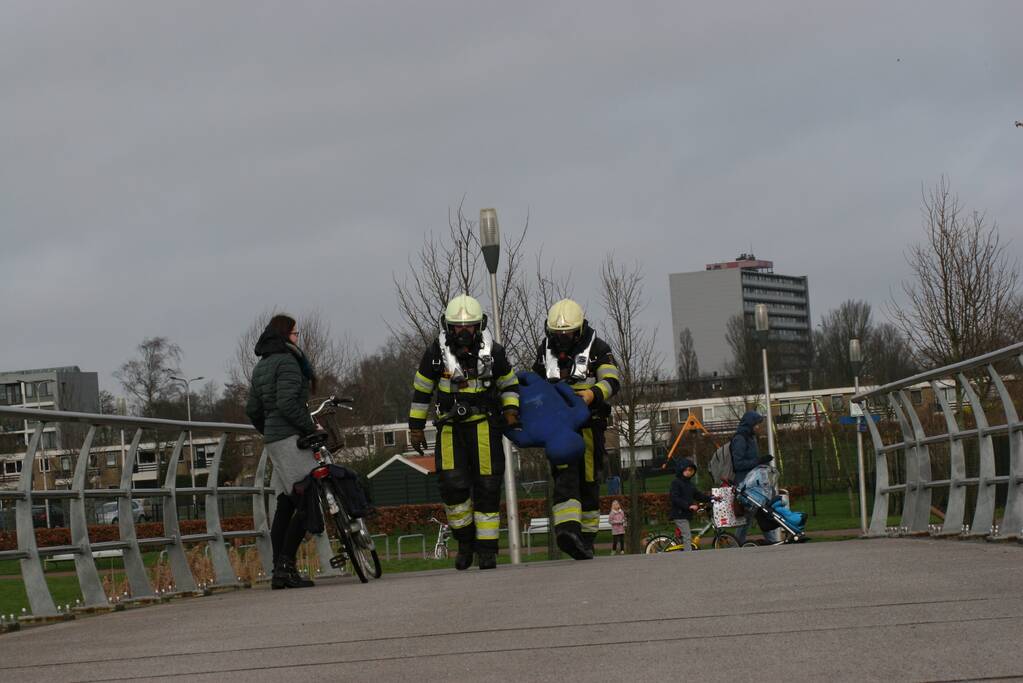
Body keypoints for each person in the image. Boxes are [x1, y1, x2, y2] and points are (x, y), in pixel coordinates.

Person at [408, 294, 520, 571]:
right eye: (458, 326)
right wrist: (416, 428)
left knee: (488, 487)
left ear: (479, 326)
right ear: (448, 327)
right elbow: (422, 391)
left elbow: (509, 384)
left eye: (469, 326)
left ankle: (487, 552)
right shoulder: (436, 354)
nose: (464, 331)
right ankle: (465, 543)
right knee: (452, 487)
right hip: (450, 428)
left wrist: (511, 410)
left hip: (484, 426)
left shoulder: (494, 352)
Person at [532, 298, 621, 560]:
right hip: (559, 428)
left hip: (589, 424)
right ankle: (567, 531)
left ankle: (586, 539)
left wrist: (593, 394)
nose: (562, 339)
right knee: (565, 477)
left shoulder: (598, 348)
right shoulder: (545, 350)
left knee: (589, 480)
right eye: (558, 334)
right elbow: (536, 384)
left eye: (568, 333)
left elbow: (612, 380)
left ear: (579, 329)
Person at [245, 314, 322, 589]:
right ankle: (285, 566)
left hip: (274, 441)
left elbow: (252, 409)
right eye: (295, 333)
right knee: (307, 500)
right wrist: (310, 427)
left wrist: (269, 430)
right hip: (290, 439)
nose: (297, 338)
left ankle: (279, 570)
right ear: (285, 335)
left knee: (286, 504)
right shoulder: (288, 361)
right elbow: (288, 403)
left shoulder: (262, 366)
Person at [730, 411, 775, 545]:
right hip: (745, 484)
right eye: (756, 424)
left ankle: (770, 540)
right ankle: (770, 540)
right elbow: (738, 464)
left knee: (758, 513)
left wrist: (761, 463)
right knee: (754, 513)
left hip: (753, 482)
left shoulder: (750, 438)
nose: (758, 427)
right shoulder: (740, 439)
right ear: (750, 424)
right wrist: (758, 461)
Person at [669, 457, 713, 551]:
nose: (689, 472)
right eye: (686, 470)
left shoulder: (690, 484)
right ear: (681, 470)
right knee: (687, 535)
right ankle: (688, 556)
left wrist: (711, 498)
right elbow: (675, 498)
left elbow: (698, 495)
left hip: (686, 514)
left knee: (686, 534)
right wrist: (688, 506)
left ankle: (684, 549)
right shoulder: (676, 483)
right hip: (679, 514)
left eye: (691, 470)